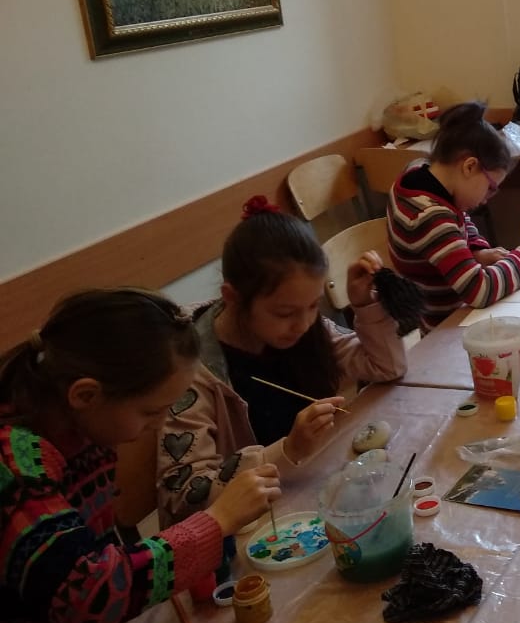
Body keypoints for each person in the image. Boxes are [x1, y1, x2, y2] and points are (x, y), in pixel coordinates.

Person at [1, 289, 279, 623]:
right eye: (151, 412)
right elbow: (87, 596)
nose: (159, 424)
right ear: (85, 394)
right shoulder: (15, 468)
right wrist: (215, 523)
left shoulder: (84, 428)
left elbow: (94, 555)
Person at [155, 197, 405, 527]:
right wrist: (287, 450)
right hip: (258, 525)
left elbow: (386, 367)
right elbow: (185, 498)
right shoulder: (191, 372)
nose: (302, 324)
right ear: (233, 298)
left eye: (314, 306)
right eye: (284, 313)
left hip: (311, 491)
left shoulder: (303, 325)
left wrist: (365, 306)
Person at [388, 101, 520, 326]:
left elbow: (458, 218)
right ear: (469, 166)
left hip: (456, 316)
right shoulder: (431, 216)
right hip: (447, 328)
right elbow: (480, 291)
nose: (486, 199)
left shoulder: (418, 173)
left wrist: (477, 251)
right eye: (490, 188)